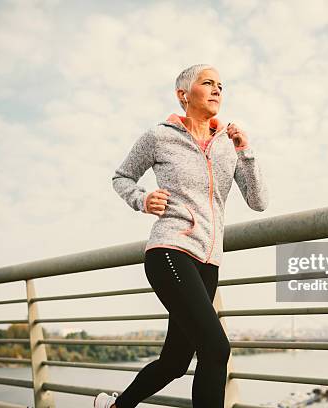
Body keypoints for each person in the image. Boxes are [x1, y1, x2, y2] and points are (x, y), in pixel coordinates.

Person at [94, 64, 269, 408]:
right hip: (170, 250)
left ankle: (115, 407)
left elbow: (258, 201)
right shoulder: (159, 136)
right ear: (183, 95)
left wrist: (245, 149)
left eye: (221, 85)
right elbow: (122, 177)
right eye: (208, 83)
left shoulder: (227, 144)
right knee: (216, 349)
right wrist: (142, 199)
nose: (218, 89)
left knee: (175, 362)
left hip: (209, 262)